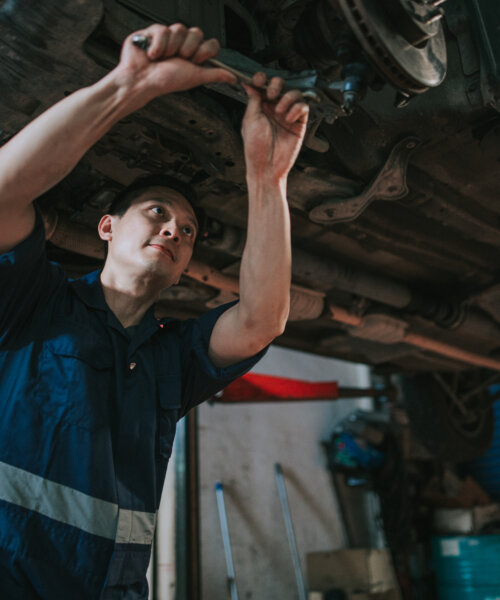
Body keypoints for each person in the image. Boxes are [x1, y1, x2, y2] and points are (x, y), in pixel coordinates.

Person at [0, 23, 308, 599]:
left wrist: (268, 178)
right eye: (157, 212)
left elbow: (262, 318)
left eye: (187, 231)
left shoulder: (171, 358)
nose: (173, 228)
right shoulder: (35, 304)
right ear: (107, 227)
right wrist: (125, 88)